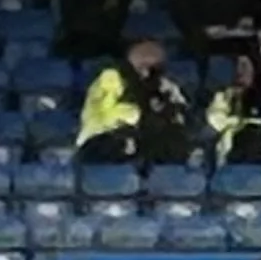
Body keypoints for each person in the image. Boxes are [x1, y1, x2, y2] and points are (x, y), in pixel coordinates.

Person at [76, 38, 193, 167]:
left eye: (155, 58)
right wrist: (137, 115)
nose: (149, 61)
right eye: (144, 56)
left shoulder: (166, 85)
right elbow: (104, 114)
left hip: (145, 141)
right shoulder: (111, 77)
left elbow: (181, 112)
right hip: (102, 137)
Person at [206, 50, 261, 170]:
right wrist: (239, 118)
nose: (239, 71)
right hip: (229, 156)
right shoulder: (224, 96)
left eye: (244, 66)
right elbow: (215, 121)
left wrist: (249, 121)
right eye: (236, 66)